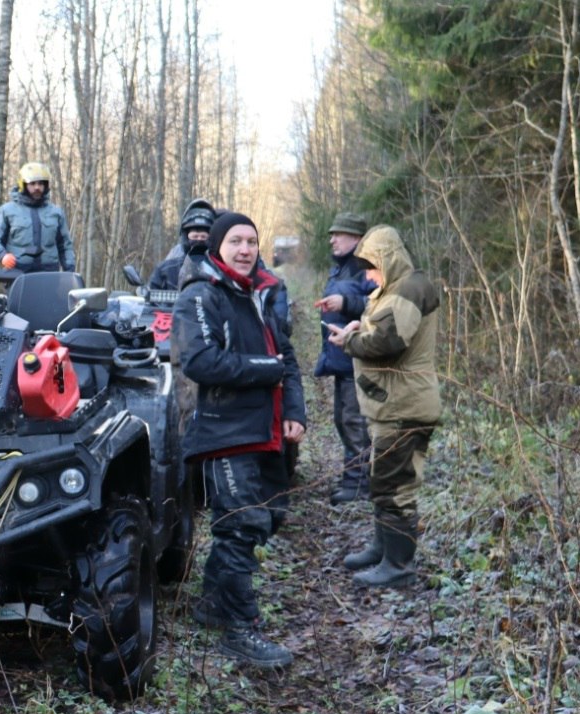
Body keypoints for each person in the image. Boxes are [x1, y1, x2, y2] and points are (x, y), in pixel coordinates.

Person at [172, 211, 307, 669]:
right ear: (216, 247)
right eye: (235, 241)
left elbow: (285, 356)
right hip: (223, 431)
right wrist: (265, 372)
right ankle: (240, 630)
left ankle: (212, 604)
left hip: (265, 430)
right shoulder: (200, 295)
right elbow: (202, 361)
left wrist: (294, 412)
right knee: (241, 526)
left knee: (262, 519)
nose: (245, 249)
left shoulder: (258, 293)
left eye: (251, 241)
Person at [326, 225, 440, 588]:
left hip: (404, 407)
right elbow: (384, 325)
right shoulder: (395, 288)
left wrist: (350, 340)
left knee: (396, 486)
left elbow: (390, 339)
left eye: (371, 267)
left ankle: (399, 567)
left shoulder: (408, 288)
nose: (369, 276)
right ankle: (383, 549)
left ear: (387, 259)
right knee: (384, 479)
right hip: (393, 405)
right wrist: (362, 324)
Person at [314, 213, 376, 504]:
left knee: (354, 422)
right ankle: (353, 477)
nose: (332, 239)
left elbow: (383, 306)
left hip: (359, 359)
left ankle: (360, 485)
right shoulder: (339, 270)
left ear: (357, 239)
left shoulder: (368, 268)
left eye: (339, 234)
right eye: (332, 234)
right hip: (342, 359)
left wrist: (347, 302)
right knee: (343, 419)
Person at [0, 162, 76, 273]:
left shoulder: (56, 213)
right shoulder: (7, 210)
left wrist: (70, 271)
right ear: (23, 184)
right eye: (32, 184)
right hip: (17, 273)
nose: (37, 187)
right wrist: (2, 256)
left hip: (49, 274)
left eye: (40, 184)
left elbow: (65, 246)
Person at [149, 198, 215, 290]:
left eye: (203, 237)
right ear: (185, 237)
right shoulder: (166, 269)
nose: (199, 240)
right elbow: (151, 299)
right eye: (195, 237)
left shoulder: (221, 270)